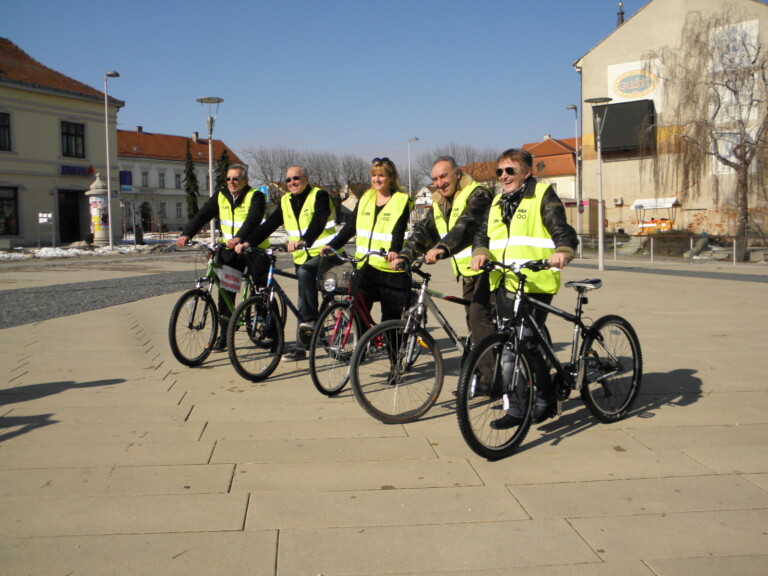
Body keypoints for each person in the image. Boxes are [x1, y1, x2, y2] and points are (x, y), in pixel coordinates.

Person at [470, 148, 578, 429]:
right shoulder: (496, 202)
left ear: (526, 172)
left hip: (536, 282)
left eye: (510, 170)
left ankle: (543, 400)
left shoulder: (542, 195)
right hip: (506, 283)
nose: (504, 176)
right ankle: (517, 408)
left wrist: (563, 250)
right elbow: (482, 233)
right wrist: (479, 252)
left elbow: (561, 228)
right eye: (500, 171)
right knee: (510, 346)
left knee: (526, 344)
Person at [237, 165, 337, 360]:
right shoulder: (286, 201)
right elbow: (269, 225)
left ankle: (311, 323)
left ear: (306, 178)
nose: (292, 183)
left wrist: (304, 241)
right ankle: (301, 346)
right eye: (288, 180)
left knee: (306, 277)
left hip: (325, 253)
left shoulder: (320, 196)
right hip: (302, 256)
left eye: (296, 178)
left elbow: (319, 220)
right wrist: (248, 242)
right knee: (302, 299)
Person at [390, 156, 494, 339]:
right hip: (468, 272)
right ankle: (478, 365)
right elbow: (424, 230)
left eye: (443, 177)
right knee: (473, 321)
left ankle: (492, 367)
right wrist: (405, 255)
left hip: (487, 267)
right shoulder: (440, 203)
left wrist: (442, 247)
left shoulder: (478, 194)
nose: (439, 183)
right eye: (435, 179)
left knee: (479, 321)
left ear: (458, 174)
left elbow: (466, 225)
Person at [176, 164, 268, 350]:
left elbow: (254, 219)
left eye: (236, 178)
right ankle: (225, 335)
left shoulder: (255, 196)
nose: (231, 182)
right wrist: (187, 233)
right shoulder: (221, 195)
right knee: (225, 292)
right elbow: (203, 214)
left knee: (261, 290)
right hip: (230, 249)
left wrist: (239, 238)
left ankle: (269, 331)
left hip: (253, 248)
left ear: (246, 181)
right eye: (228, 178)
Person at [322, 157, 413, 322]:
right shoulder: (366, 198)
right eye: (374, 175)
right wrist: (332, 245)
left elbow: (398, 230)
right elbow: (350, 227)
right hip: (366, 267)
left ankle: (393, 347)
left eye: (382, 175)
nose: (377, 179)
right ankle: (365, 345)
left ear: (391, 177)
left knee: (390, 318)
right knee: (358, 312)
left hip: (390, 269)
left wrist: (395, 250)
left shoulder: (401, 200)